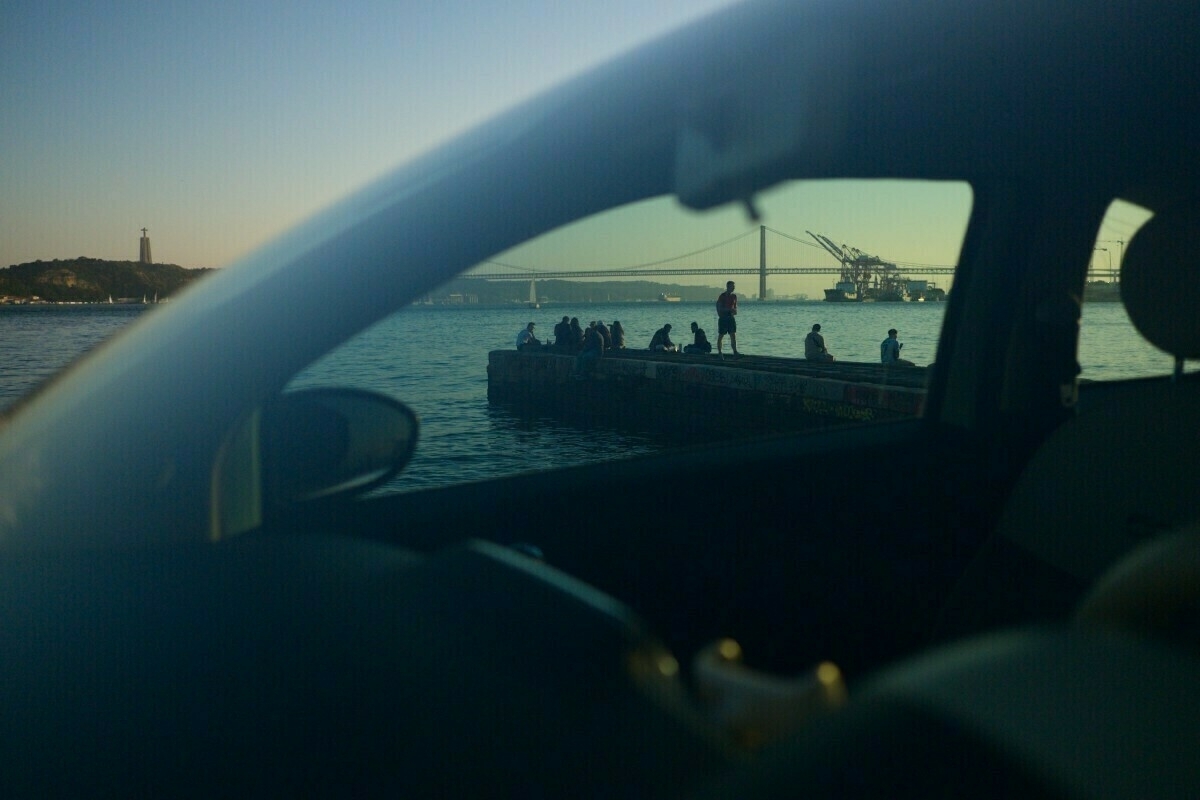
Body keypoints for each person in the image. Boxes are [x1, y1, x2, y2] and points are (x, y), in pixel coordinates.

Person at [715, 280, 740, 356]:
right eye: (732, 286)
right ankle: (719, 352)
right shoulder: (722, 296)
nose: (733, 288)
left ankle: (735, 351)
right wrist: (728, 309)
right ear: (728, 287)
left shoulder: (734, 296)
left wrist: (734, 311)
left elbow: (735, 307)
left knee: (733, 335)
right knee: (721, 335)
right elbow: (719, 308)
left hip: (731, 318)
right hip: (723, 318)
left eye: (734, 287)